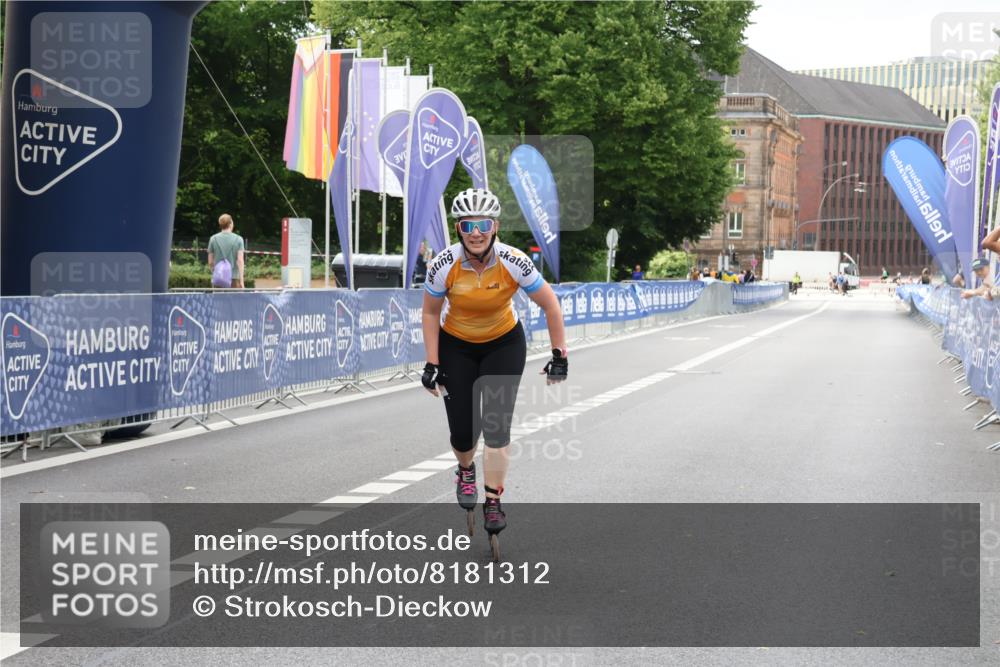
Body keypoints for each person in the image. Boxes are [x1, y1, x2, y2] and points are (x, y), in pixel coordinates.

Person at [421, 188, 567, 540]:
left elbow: (550, 305)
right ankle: (465, 469)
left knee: (497, 427)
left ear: (495, 226)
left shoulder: (514, 260)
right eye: (468, 224)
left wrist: (559, 355)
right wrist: (432, 363)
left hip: (503, 342)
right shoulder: (444, 264)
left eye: (483, 224)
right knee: (464, 433)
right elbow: (429, 312)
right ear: (458, 229)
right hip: (457, 345)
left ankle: (493, 499)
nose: (475, 232)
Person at [207, 213, 245, 288]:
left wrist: (215, 273)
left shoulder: (213, 239)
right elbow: (240, 261)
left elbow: (210, 262)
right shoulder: (239, 239)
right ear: (230, 223)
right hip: (233, 279)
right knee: (234, 300)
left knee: (218, 300)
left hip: (219, 279)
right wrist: (241, 280)